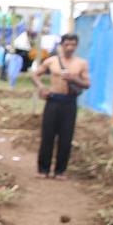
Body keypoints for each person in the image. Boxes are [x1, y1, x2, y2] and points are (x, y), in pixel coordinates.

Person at [30, 33, 91, 179]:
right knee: (47, 136)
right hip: (53, 100)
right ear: (62, 45)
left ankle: (60, 171)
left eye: (73, 45)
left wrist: (73, 78)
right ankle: (43, 169)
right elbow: (34, 75)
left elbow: (87, 84)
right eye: (67, 45)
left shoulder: (81, 63)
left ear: (76, 46)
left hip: (69, 102)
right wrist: (41, 88)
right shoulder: (52, 61)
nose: (70, 48)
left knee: (66, 137)